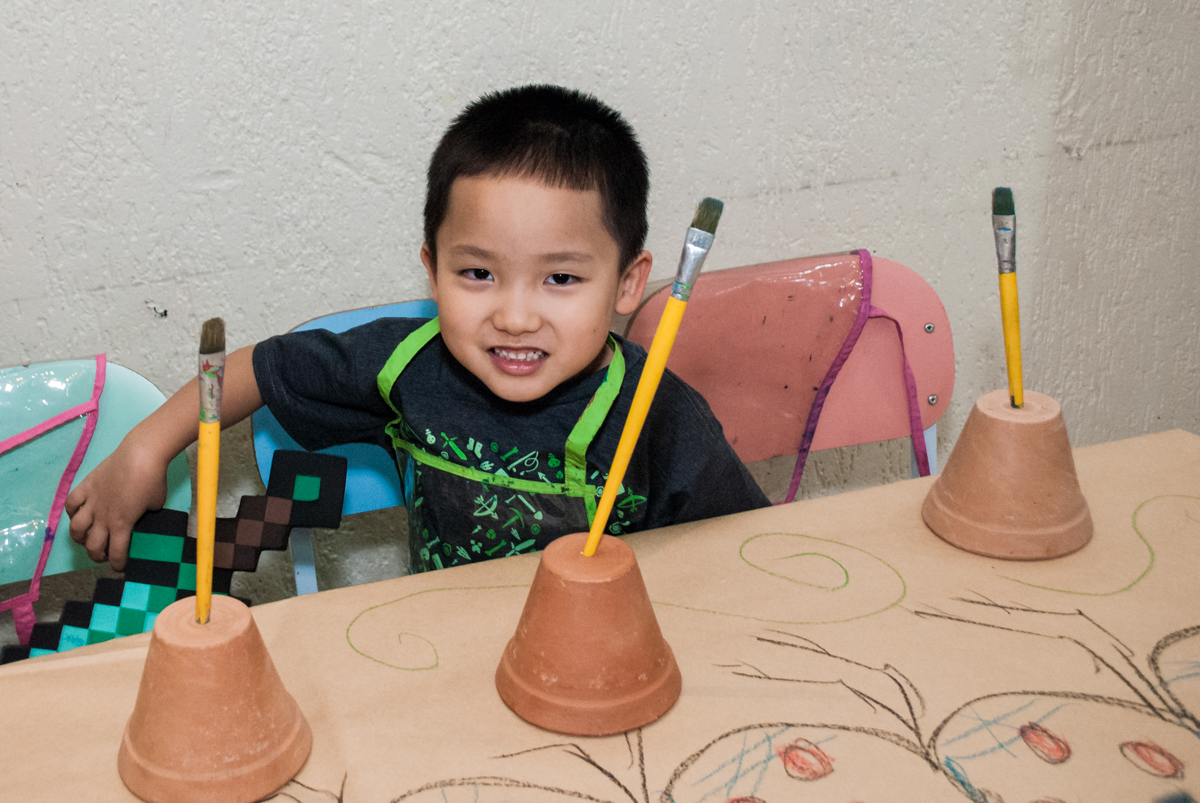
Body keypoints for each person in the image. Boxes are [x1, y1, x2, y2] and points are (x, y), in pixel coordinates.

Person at [66, 84, 769, 574]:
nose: (515, 316)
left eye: (560, 279)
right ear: (432, 271)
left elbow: (744, 550)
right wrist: (148, 444)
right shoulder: (406, 364)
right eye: (477, 274)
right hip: (447, 673)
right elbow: (252, 367)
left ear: (628, 282)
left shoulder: (658, 411)